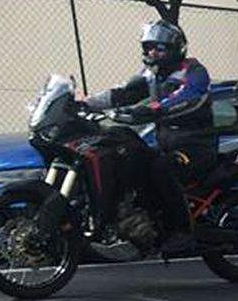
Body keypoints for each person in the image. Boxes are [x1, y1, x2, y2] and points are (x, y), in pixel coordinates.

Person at [85, 20, 214, 255]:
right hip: (166, 143)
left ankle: (183, 230)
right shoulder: (151, 75)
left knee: (160, 168)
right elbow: (122, 93)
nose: (152, 53)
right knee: (130, 161)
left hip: (196, 146)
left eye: (159, 48)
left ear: (176, 48)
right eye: (148, 48)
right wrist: (85, 103)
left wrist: (153, 109)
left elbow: (188, 96)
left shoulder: (194, 71)